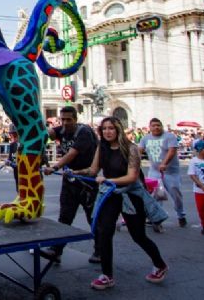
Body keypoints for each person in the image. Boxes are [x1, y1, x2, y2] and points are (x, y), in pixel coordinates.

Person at [75, 117, 168, 290]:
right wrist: (70, 171)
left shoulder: (131, 148)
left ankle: (160, 264)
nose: (107, 132)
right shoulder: (101, 148)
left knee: (138, 235)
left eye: (111, 128)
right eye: (104, 129)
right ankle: (107, 275)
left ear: (118, 130)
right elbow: (93, 170)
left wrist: (107, 180)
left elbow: (132, 177)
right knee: (104, 232)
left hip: (130, 195)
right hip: (111, 194)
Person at [42, 106, 100, 264]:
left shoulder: (84, 132)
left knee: (92, 218)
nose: (65, 123)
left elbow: (72, 153)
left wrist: (54, 167)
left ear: (76, 119)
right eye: (63, 119)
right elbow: (46, 134)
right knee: (65, 216)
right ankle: (56, 250)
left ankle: (100, 251)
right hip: (70, 180)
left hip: (86, 180)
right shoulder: (61, 130)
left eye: (69, 120)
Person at [139, 118, 187, 227]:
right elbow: (139, 151)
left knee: (176, 195)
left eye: (158, 125)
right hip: (154, 172)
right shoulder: (145, 138)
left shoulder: (169, 136)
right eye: (154, 126)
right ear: (150, 127)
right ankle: (156, 217)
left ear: (162, 126)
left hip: (171, 172)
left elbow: (172, 151)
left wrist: (164, 163)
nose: (156, 127)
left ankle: (181, 215)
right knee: (155, 195)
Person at [6, 125, 19, 191]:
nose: (12, 136)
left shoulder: (25, 144)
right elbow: (10, 158)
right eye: (11, 135)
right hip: (16, 170)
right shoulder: (12, 145)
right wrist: (8, 162)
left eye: (15, 135)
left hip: (26, 171)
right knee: (18, 185)